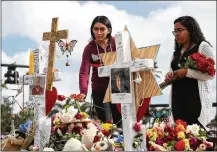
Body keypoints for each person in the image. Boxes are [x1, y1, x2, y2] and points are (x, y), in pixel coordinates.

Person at [165, 16, 215, 129]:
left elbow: (211, 75)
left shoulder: (203, 47)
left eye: (180, 30)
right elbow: (172, 71)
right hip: (177, 101)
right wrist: (169, 76)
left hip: (195, 101)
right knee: (180, 138)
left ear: (191, 30)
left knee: (197, 140)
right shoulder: (176, 52)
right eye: (175, 31)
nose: (176, 34)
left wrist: (187, 72)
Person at [79, 16, 122, 126]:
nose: (98, 32)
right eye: (95, 29)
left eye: (102, 29)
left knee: (120, 122)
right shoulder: (89, 48)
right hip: (99, 91)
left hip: (118, 89)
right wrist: (83, 91)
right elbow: (84, 71)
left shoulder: (118, 43)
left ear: (109, 30)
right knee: (105, 124)